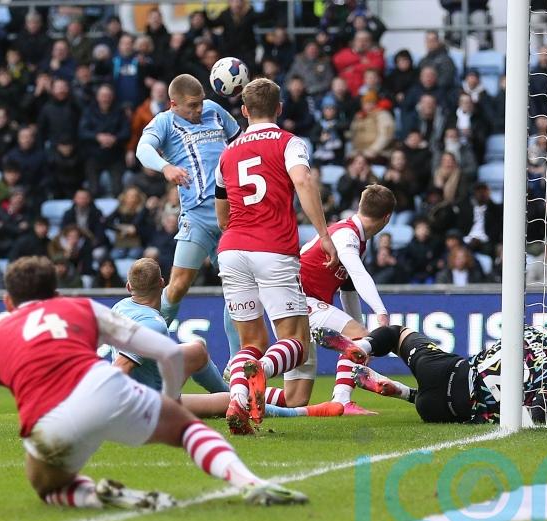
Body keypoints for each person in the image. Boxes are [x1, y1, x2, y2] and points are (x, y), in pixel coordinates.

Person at [0, 256, 308, 511]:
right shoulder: (81, 307)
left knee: (46, 486)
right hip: (105, 388)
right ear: (56, 293)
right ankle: (249, 481)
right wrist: (169, 403)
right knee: (188, 430)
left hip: (47, 420)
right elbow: (169, 354)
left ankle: (94, 495)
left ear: (7, 302)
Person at [214, 78, 338, 434]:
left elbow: (222, 215)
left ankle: (240, 397)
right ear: (280, 108)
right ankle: (263, 371)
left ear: (244, 111)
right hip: (273, 248)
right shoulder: (289, 142)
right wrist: (323, 234)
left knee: (251, 343)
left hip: (232, 250)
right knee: (296, 344)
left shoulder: (228, 152)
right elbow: (303, 181)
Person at [104, 258, 343, 420]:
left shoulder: (120, 307)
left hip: (148, 385)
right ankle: (301, 412)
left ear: (128, 286)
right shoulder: (152, 325)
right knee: (230, 401)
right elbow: (122, 366)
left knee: (197, 349)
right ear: (161, 283)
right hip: (151, 405)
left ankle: (232, 391)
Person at [315, 303, 547, 426]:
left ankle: (362, 347)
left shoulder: (527, 331)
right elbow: (539, 416)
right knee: (484, 400)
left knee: (397, 333)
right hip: (445, 411)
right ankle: (404, 393)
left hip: (446, 369)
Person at [135, 74, 242, 368]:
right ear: (174, 104)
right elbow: (142, 150)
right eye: (192, 106)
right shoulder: (164, 122)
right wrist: (165, 167)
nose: (198, 110)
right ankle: (145, 353)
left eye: (200, 103)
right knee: (178, 285)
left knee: (236, 291)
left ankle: (237, 366)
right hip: (197, 217)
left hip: (231, 216)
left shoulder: (215, 111)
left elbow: (240, 144)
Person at [278, 185, 396, 414]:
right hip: (300, 299)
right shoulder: (347, 235)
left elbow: (348, 290)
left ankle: (243, 393)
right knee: (358, 337)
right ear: (387, 218)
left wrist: (360, 337)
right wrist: (379, 312)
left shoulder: (355, 238)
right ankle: (342, 401)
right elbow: (358, 274)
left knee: (296, 398)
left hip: (294, 301)